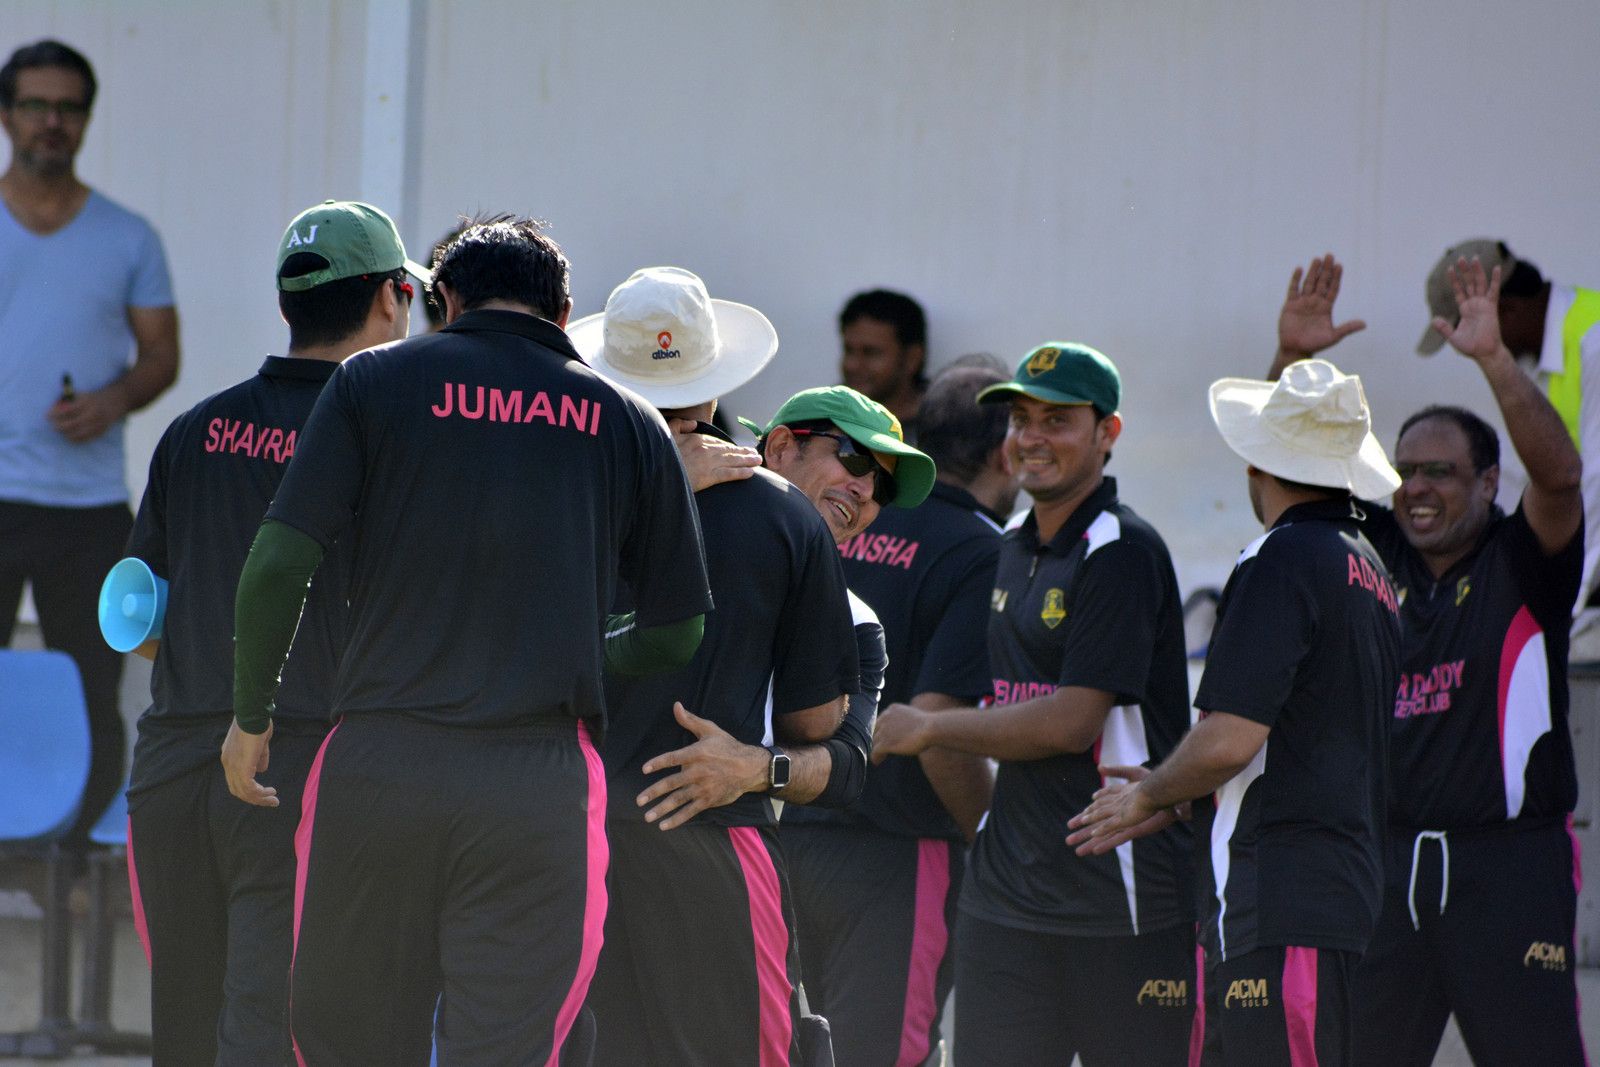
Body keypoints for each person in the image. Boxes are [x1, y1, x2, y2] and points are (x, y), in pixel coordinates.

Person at [225, 217, 713, 1064]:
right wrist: (593, 649)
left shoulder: (371, 381)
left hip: (379, 761)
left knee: (346, 1044)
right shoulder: (630, 419)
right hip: (538, 781)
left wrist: (250, 714)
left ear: (444, 299)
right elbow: (679, 631)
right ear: (565, 314)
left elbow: (277, 564)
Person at [119, 200, 425, 1064]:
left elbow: (136, 615)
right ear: (390, 299)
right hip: (291, 767)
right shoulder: (386, 437)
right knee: (272, 1031)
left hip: (172, 766)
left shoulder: (193, 430)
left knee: (184, 1032)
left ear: (289, 302)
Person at [1278, 254, 1588, 1065]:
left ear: (1488, 483)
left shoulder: (1524, 560)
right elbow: (1281, 486)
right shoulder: (1372, 555)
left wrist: (1494, 360)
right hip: (1382, 866)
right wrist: (1293, 362)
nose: (1416, 488)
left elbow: (1561, 477)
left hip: (1508, 867)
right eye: (1405, 472)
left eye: (1439, 473)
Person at [1071, 357, 1403, 1066]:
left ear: (1257, 464)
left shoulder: (1280, 556)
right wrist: (1184, 792)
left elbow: (1230, 738)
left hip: (1278, 898)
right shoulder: (1369, 566)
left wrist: (1149, 795)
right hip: (1324, 896)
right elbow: (1306, 741)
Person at [873, 343, 1195, 1066]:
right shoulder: (1012, 542)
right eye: (1021, 420)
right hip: (1005, 900)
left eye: (1057, 420)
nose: (1032, 438)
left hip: (1118, 898)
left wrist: (930, 727)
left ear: (1108, 432)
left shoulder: (1121, 548)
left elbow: (1071, 721)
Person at [569, 265, 859, 1066]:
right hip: (707, 836)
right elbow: (818, 725)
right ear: (715, 381)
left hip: (563, 831)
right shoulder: (783, 515)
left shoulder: (564, 494)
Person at [783, 358, 1013, 1067]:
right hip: (898, 852)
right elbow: (935, 727)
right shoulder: (982, 549)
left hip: (790, 829)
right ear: (1005, 453)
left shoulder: (841, 516)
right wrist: (991, 845)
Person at [0, 39, 179, 843]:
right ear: (7, 116)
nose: (52, 121)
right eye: (35, 105)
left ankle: (72, 865)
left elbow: (161, 356)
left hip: (88, 507)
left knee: (91, 692)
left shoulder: (127, 236)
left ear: (86, 120)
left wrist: (111, 401)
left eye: (68, 108)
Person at [1418, 240, 1600, 652]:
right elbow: (1523, 481)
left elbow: (1594, 484)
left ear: (1508, 311)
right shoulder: (1538, 358)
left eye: (1472, 325)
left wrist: (1564, 607)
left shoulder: (1593, 341)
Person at [839, 289, 927, 441]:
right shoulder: (824, 419)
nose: (852, 365)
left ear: (912, 359)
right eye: (849, 350)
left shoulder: (944, 430)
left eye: (871, 353)